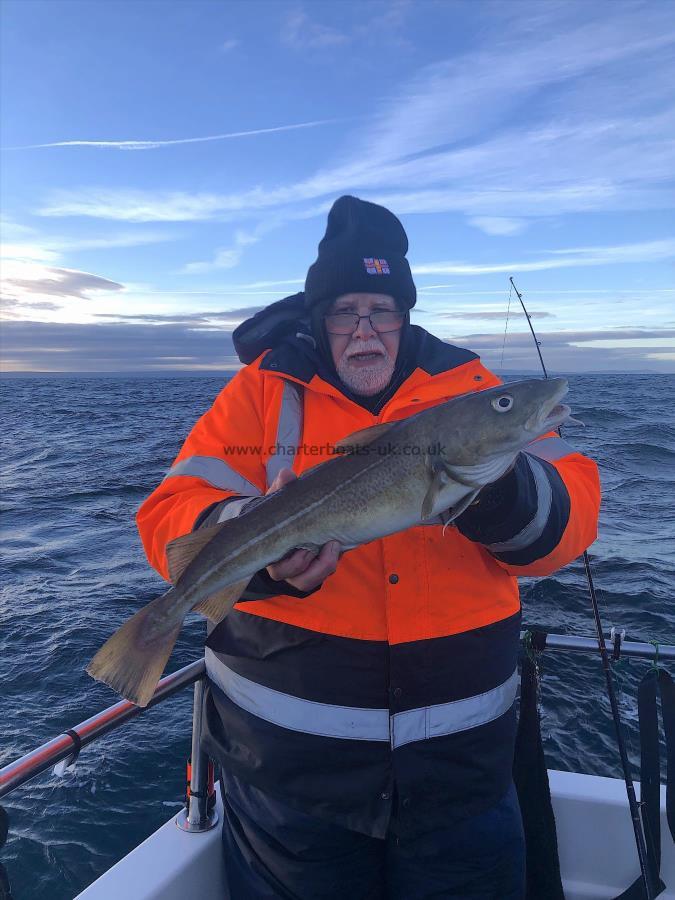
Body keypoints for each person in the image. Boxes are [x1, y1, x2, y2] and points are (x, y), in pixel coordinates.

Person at [137, 196, 601, 899]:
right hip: (293, 784)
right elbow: (167, 514)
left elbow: (570, 526)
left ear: (404, 315)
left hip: (462, 777)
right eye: (343, 310)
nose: (364, 330)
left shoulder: (475, 395)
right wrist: (254, 542)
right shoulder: (258, 394)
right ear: (318, 316)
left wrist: (498, 489)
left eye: (381, 309)